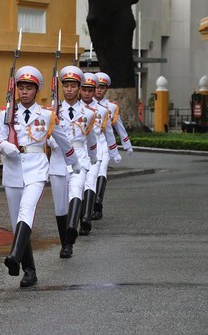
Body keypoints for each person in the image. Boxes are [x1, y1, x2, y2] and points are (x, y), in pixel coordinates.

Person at [0, 65, 80, 287]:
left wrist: (74, 163)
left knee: (27, 210)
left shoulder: (47, 115)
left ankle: (14, 256)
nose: (24, 92)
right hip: (13, 170)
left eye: (29, 88)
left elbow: (63, 140)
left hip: (36, 169)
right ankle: (29, 271)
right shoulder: (6, 113)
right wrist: (5, 147)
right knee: (16, 222)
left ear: (36, 90)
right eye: (21, 87)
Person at [49, 65, 97, 259]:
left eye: (73, 86)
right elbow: (44, 136)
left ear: (79, 87)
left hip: (79, 157)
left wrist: (93, 158)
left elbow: (91, 137)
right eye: (66, 85)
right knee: (60, 207)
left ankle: (71, 230)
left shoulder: (88, 113)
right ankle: (65, 243)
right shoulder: (52, 112)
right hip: (58, 159)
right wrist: (51, 140)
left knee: (76, 190)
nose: (69, 89)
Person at [78, 72, 121, 236]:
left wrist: (114, 151)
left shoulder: (103, 111)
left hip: (96, 150)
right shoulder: (74, 108)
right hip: (79, 151)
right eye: (85, 89)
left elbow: (109, 133)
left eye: (91, 89)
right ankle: (81, 214)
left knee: (90, 182)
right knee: (79, 186)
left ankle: (86, 219)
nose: (88, 93)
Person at [92, 72, 133, 220]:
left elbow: (118, 127)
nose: (98, 90)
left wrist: (126, 144)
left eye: (102, 87)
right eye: (96, 87)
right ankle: (87, 205)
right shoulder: (83, 105)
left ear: (106, 89)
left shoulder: (111, 107)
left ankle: (98, 204)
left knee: (102, 171)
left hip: (103, 142)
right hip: (88, 143)